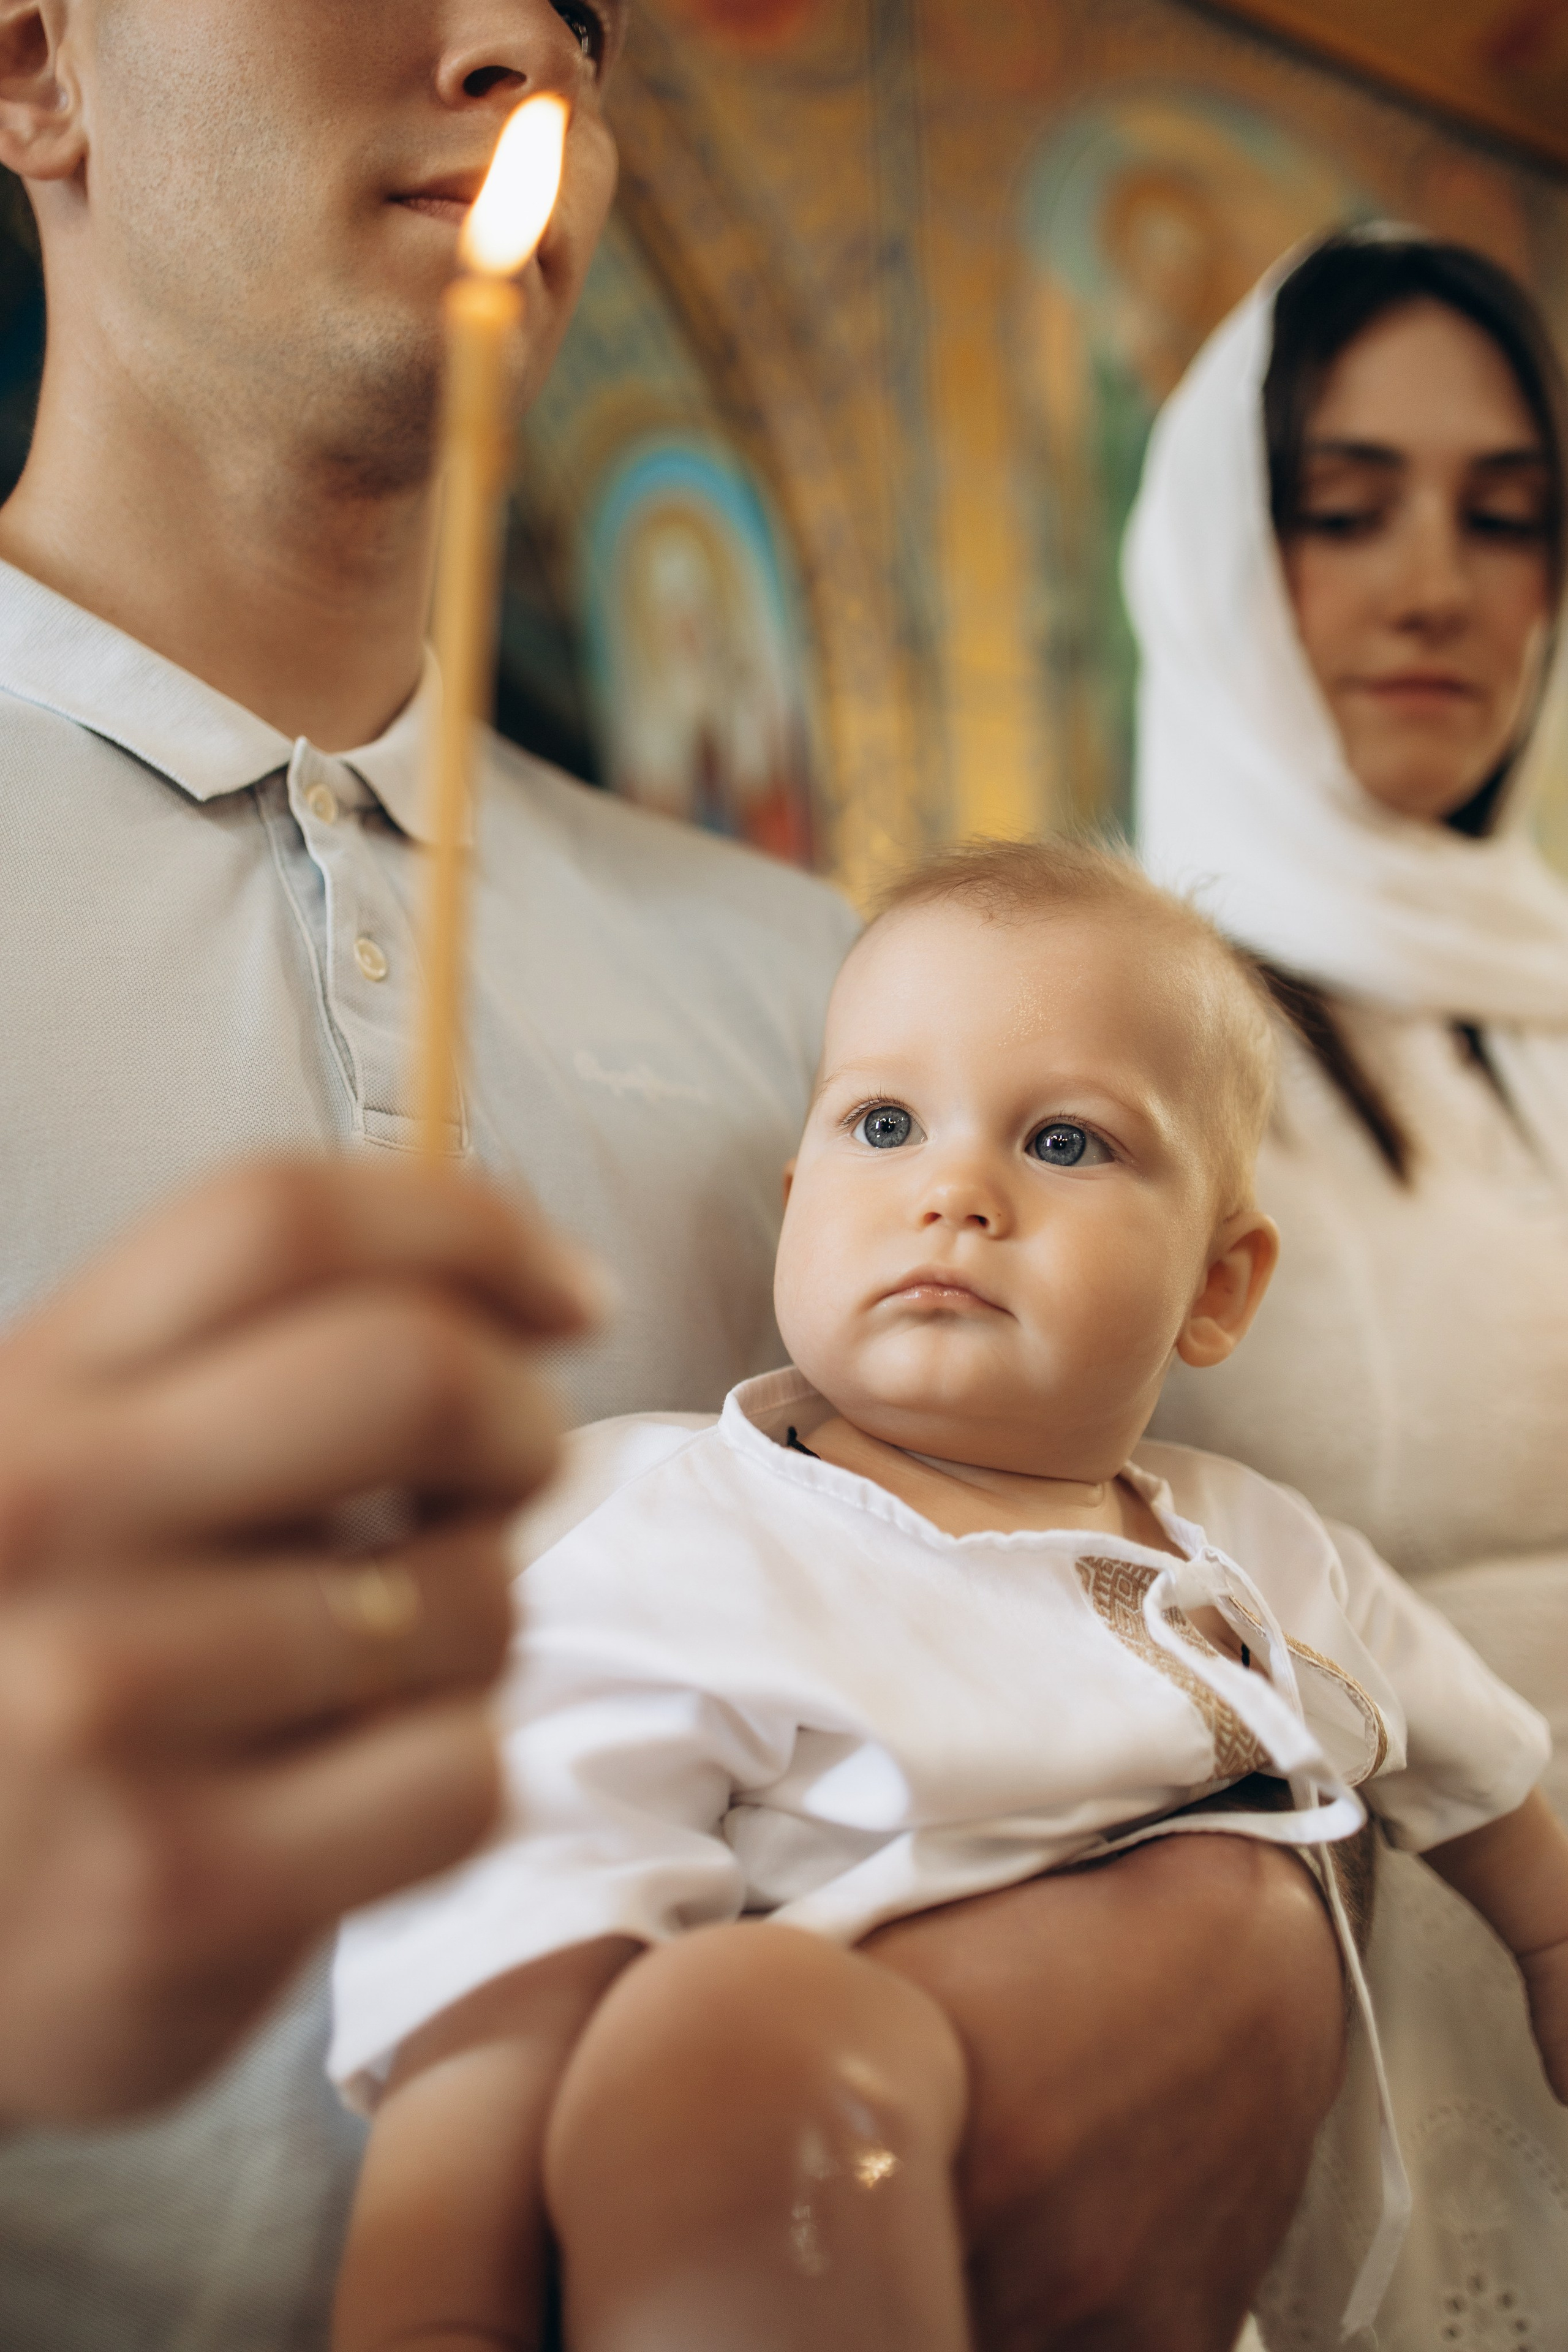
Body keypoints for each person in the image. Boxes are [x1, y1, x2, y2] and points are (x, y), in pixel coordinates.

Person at [0, 0, 1409, 2337]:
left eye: (580, 7)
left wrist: (1245, 1956)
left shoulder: (838, 1017)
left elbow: (1164, 1634)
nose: (509, 47)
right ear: (38, 66)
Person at [326, 839, 1567, 2352]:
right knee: (724, 2037)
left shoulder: (1254, 1550)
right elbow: (514, 1920)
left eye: (1063, 1144)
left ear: (1217, 1288)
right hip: (774, 2191)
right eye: (885, 1123)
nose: (952, 1192)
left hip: (1183, 2240)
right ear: (795, 1202)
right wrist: (435, 2303)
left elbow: (1470, 1756)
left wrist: (1549, 1946)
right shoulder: (678, 1531)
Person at [1125, 227, 1568, 2342]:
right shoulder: (1106, 1024)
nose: (1435, 588)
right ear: (1215, 557)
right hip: (1345, 2008)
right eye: (1343, 506)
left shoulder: (1548, 1010)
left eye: (1507, 521)